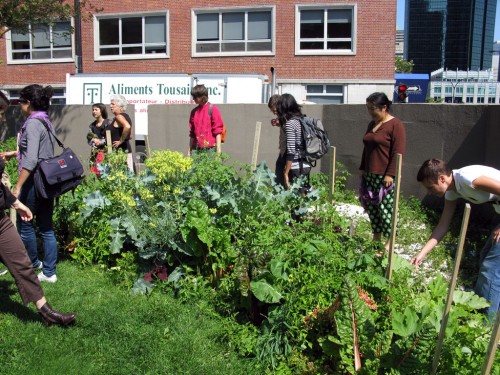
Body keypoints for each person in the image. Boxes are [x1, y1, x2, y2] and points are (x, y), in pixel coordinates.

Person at [411, 159, 500, 321]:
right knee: (486, 255)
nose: (429, 193)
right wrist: (422, 253)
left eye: (431, 188)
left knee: (492, 269)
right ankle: (481, 309)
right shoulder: (453, 191)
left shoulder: (468, 179)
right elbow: (443, 225)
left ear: (442, 179)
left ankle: (487, 325)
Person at [13, 85, 59, 283]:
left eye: (20, 102)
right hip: (47, 179)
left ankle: (34, 263)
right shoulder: (46, 120)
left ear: (28, 103)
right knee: (46, 227)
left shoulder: (32, 124)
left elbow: (31, 160)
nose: (19, 106)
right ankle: (50, 271)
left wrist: (17, 186)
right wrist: (13, 154)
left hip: (34, 180)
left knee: (25, 224)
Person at [359, 92, 406, 251]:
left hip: (385, 176)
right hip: (370, 174)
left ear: (384, 107)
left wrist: (390, 174)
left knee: (386, 208)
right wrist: (363, 169)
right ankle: (376, 237)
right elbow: (366, 149)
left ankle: (390, 242)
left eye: (373, 109)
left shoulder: (395, 125)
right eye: (368, 109)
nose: (370, 112)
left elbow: (398, 152)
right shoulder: (371, 125)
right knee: (372, 207)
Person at [276, 93, 311, 192]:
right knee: (302, 200)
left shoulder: (290, 123)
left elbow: (291, 150)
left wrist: (286, 173)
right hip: (305, 165)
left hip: (295, 168)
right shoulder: (301, 119)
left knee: (293, 201)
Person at [188, 84, 223, 156]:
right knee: (194, 167)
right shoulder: (194, 112)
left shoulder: (213, 109)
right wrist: (189, 151)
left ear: (202, 96)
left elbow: (218, 131)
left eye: (195, 97)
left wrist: (218, 151)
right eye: (193, 97)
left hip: (210, 149)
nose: (193, 99)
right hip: (196, 149)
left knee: (210, 167)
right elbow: (192, 134)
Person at [107, 95, 133, 172]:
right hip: (126, 150)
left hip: (119, 153)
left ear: (120, 106)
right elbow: (130, 135)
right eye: (110, 104)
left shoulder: (119, 117)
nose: (110, 106)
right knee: (128, 178)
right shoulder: (127, 116)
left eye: (113, 104)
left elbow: (127, 127)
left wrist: (121, 141)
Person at [268, 94, 286, 187]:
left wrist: (281, 123)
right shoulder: (282, 115)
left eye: (274, 110)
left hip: (288, 150)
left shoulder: (287, 114)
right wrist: (279, 123)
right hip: (283, 150)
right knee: (279, 173)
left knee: (280, 175)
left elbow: (290, 129)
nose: (274, 113)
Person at [87, 103, 110, 175]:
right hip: (95, 153)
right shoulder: (92, 126)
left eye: (96, 110)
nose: (94, 111)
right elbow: (89, 139)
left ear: (101, 111)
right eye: (93, 110)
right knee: (95, 173)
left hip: (106, 153)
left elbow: (111, 138)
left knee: (103, 174)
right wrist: (94, 140)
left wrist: (100, 141)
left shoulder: (108, 123)